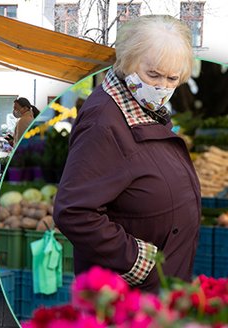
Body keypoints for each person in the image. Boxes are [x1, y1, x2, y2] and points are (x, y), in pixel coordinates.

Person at [53, 15, 199, 293]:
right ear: (128, 61)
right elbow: (74, 211)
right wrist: (139, 263)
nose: (161, 88)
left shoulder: (139, 106)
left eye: (172, 79)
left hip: (159, 288)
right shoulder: (104, 122)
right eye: (153, 75)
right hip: (127, 296)